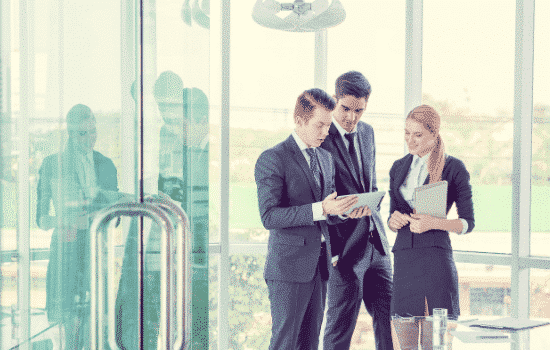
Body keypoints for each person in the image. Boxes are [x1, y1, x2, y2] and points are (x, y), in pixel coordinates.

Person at [255, 88, 370, 350]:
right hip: (288, 269)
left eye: (328, 126)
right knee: (286, 342)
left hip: (319, 265)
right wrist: (321, 209)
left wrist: (344, 212)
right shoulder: (273, 158)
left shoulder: (325, 159)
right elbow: (269, 216)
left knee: (310, 342)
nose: (325, 132)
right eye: (320, 125)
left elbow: (327, 214)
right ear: (299, 120)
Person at [320, 71, 394, 350]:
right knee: (341, 327)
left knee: (389, 322)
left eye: (359, 110)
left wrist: (373, 202)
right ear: (335, 101)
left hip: (376, 243)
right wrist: (335, 246)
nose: (352, 117)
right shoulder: (322, 139)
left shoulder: (367, 133)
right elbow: (320, 199)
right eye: (346, 109)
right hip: (345, 250)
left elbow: (369, 181)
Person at [36, 104, 118, 349]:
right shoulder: (52, 164)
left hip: (95, 248)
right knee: (65, 323)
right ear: (70, 134)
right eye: (83, 134)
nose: (89, 138)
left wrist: (100, 212)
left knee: (97, 321)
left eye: (93, 132)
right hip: (66, 246)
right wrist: (63, 220)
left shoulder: (106, 164)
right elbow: (41, 218)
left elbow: (117, 217)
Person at [388, 104, 475, 320]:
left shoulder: (453, 167)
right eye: (407, 133)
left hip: (435, 259)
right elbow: (392, 216)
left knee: (435, 338)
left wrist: (433, 223)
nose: (410, 139)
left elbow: (467, 223)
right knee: (404, 336)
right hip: (404, 259)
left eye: (418, 134)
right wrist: (393, 220)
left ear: (434, 134)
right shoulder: (398, 167)